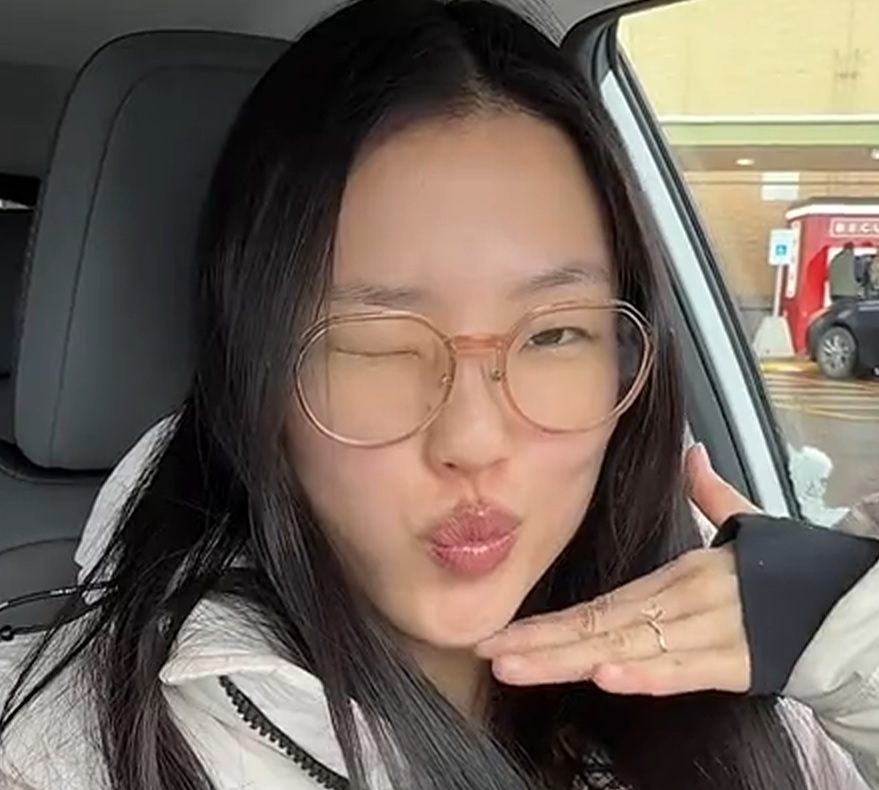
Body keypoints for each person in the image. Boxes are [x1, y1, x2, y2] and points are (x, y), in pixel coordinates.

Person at [2, 1, 879, 788]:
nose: (474, 439)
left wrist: (850, 651)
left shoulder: (747, 676)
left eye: (553, 336)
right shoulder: (61, 753)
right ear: (255, 372)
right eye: (376, 344)